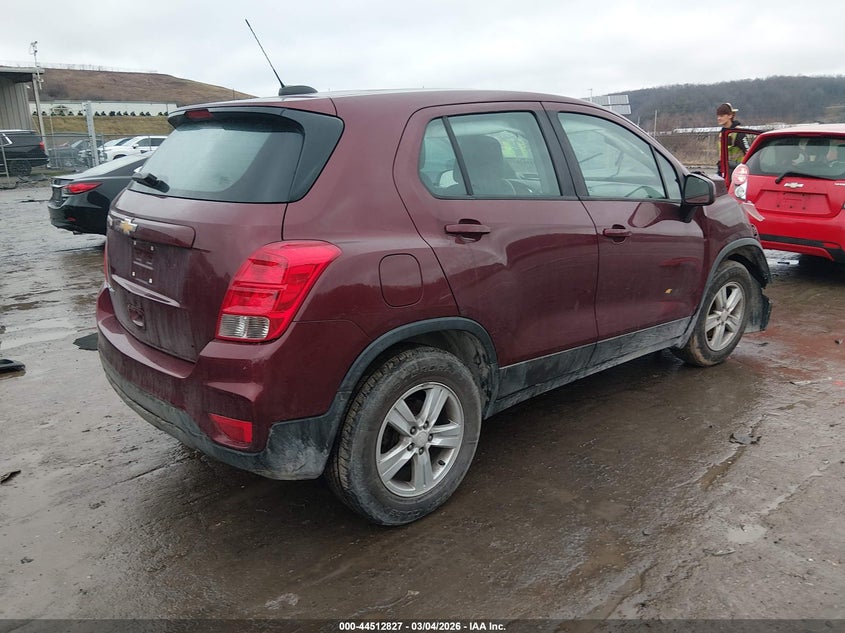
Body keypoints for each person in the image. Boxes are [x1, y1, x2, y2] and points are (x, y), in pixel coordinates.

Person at [716, 102, 751, 177]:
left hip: (737, 171)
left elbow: (748, 152)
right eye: (718, 116)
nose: (719, 118)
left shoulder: (739, 132)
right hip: (724, 170)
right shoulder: (722, 133)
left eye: (722, 116)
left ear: (730, 115)